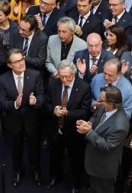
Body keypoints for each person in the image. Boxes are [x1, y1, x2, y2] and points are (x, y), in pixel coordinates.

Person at [0, 48, 45, 187]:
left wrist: (36, 101)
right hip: (14, 120)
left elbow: (42, 96)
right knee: (16, 148)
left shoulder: (35, 75)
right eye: (16, 61)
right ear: (9, 64)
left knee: (34, 148)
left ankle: (35, 170)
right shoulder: (3, 79)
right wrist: (14, 103)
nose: (21, 63)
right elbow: (1, 102)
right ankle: (18, 171)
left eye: (22, 59)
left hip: (32, 118)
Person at [45, 60, 92, 191]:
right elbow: (46, 103)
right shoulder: (53, 84)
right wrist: (53, 110)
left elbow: (85, 111)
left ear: (74, 74)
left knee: (75, 159)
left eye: (67, 76)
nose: (64, 79)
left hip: (73, 131)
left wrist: (68, 113)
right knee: (55, 155)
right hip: (56, 129)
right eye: (61, 76)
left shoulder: (84, 87)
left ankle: (75, 183)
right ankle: (55, 176)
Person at [76, 85, 130, 193]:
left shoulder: (120, 125)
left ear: (111, 103)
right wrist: (89, 124)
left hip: (103, 168)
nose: (98, 101)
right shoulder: (103, 107)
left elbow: (107, 146)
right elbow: (95, 116)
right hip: (93, 160)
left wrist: (89, 132)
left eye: (102, 100)